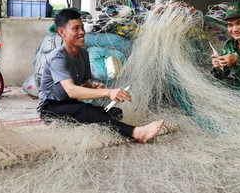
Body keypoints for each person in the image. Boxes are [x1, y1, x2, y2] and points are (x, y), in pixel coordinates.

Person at [38, 8, 164, 143]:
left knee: (114, 113)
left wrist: (93, 87)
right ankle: (136, 133)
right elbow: (72, 90)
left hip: (71, 104)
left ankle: (64, 125)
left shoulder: (83, 54)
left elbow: (84, 84)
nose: (82, 32)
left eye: (82, 27)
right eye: (76, 28)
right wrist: (108, 92)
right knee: (87, 111)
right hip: (50, 107)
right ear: (62, 32)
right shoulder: (57, 58)